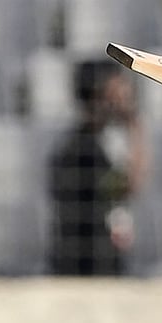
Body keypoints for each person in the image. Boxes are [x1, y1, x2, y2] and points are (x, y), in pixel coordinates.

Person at [50, 59, 146, 275]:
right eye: (117, 91)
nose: (125, 96)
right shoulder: (81, 151)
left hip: (100, 266)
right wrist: (134, 125)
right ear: (99, 95)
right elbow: (131, 185)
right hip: (86, 270)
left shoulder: (94, 144)